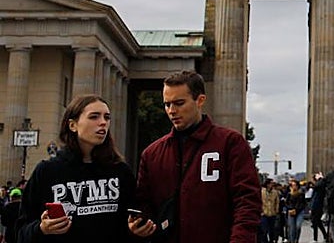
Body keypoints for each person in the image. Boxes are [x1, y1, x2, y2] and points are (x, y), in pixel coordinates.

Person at [136, 70, 261, 243]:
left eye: (179, 103)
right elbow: (144, 203)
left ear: (200, 100)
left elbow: (247, 201)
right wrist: (140, 225)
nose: (172, 111)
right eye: (167, 104)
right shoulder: (152, 154)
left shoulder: (230, 143)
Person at [16, 94, 156, 241]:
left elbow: (133, 221)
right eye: (94, 117)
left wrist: (137, 230)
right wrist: (42, 229)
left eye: (107, 117)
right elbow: (20, 231)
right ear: (72, 125)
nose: (103, 123)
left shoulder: (120, 171)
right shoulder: (47, 171)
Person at [263, 179, 282, 243]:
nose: (272, 185)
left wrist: (276, 210)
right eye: (271, 183)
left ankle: (271, 240)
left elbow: (277, 202)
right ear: (267, 184)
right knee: (264, 230)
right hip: (264, 213)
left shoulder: (275, 192)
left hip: (272, 213)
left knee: (272, 230)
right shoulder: (262, 192)